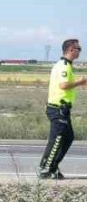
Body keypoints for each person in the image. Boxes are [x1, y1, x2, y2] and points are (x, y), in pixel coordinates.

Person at [39, 38, 87, 179]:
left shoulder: (66, 65)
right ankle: (46, 168)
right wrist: (81, 81)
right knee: (57, 139)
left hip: (62, 109)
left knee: (68, 137)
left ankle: (52, 166)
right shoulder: (64, 65)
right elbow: (63, 85)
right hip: (58, 108)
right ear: (71, 50)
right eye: (79, 49)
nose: (80, 51)